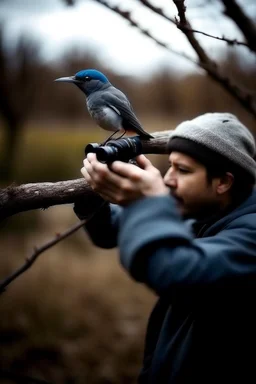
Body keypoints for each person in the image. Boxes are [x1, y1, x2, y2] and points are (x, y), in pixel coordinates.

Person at [74, 112, 256, 384]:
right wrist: (95, 194)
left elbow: (174, 270)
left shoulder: (251, 235)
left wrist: (145, 202)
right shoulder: (203, 209)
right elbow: (109, 232)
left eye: (182, 170)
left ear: (224, 182)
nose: (167, 179)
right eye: (169, 166)